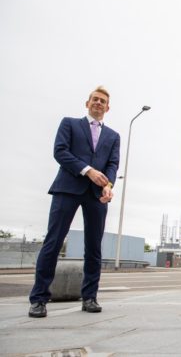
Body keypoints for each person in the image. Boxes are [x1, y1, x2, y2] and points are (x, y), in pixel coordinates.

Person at [28, 86, 120, 318]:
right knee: (53, 242)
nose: (98, 103)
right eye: (95, 99)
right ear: (87, 103)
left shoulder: (113, 136)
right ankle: (39, 299)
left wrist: (108, 185)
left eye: (103, 101)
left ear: (108, 108)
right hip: (67, 189)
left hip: (97, 194)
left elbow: (113, 164)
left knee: (94, 247)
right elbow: (60, 152)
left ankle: (90, 297)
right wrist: (88, 170)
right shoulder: (69, 123)